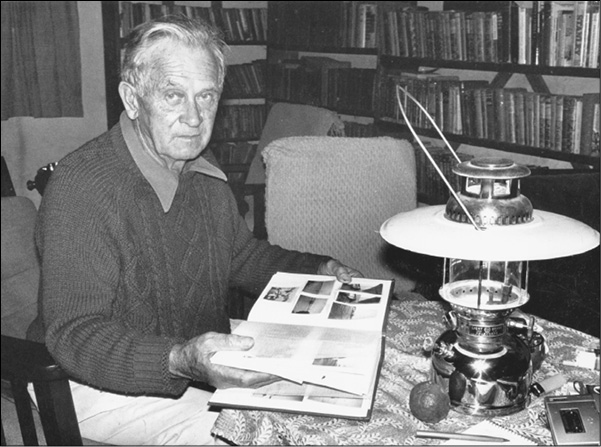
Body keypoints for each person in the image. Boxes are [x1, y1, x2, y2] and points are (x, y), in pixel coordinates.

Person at [26, 15, 361, 445]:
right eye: (172, 95)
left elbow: (241, 257)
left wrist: (318, 267)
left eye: (206, 96)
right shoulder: (84, 187)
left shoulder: (202, 175)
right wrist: (182, 360)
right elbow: (75, 333)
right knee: (262, 436)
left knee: (335, 388)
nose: (193, 116)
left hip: (187, 353)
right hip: (88, 382)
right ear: (132, 99)